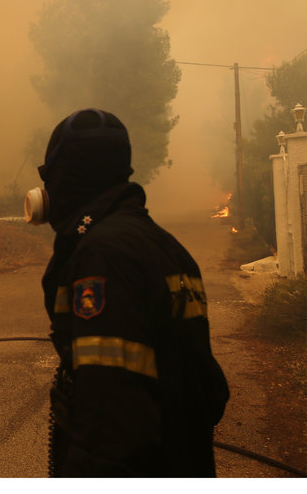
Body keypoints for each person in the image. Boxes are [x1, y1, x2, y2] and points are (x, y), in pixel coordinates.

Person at [35, 109, 229, 477]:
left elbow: (111, 428)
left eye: (50, 177)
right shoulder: (168, 248)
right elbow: (212, 392)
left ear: (67, 176)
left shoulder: (103, 256)